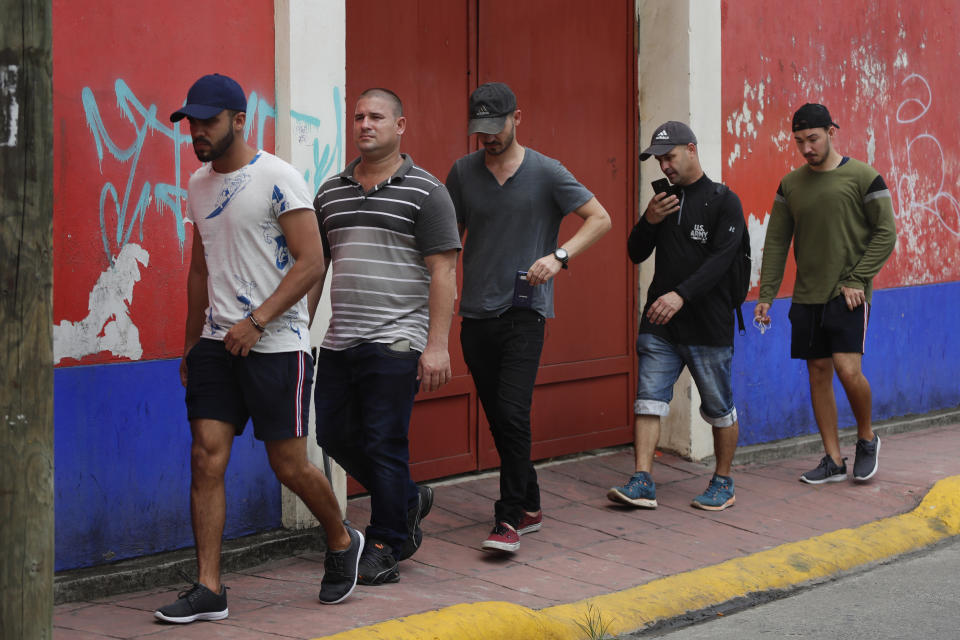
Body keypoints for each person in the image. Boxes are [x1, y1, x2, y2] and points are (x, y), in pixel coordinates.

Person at [156, 74, 363, 624]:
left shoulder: (277, 178)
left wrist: (257, 320)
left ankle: (342, 541)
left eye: (208, 121)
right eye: (191, 123)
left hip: (277, 344)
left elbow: (312, 261)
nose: (197, 132)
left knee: (289, 464)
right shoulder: (198, 184)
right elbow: (200, 267)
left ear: (240, 120)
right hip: (215, 343)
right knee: (206, 458)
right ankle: (209, 587)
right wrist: (189, 345)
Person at [446, 82, 611, 553]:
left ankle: (509, 517)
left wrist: (559, 256)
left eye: (496, 128)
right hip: (475, 313)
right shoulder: (462, 172)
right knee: (500, 417)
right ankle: (532, 502)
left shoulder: (547, 172)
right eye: (480, 130)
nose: (488, 138)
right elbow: (446, 236)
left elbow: (600, 218)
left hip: (525, 310)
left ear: (517, 117)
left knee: (513, 412)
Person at [311, 88, 460, 584]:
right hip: (340, 339)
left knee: (383, 441)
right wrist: (299, 331)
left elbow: (443, 272)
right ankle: (408, 499)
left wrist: (436, 345)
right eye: (358, 116)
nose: (364, 124)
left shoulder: (427, 191)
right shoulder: (329, 192)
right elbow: (315, 268)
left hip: (397, 337)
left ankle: (385, 544)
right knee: (331, 433)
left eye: (376, 116)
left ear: (401, 126)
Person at [607, 122, 746, 513]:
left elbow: (721, 261)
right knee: (648, 399)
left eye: (669, 157)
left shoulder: (723, 200)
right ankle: (642, 479)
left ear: (690, 149)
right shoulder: (662, 201)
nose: (664, 166)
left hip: (709, 324)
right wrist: (648, 221)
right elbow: (635, 253)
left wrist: (681, 295)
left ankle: (723, 481)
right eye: (658, 160)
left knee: (719, 406)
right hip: (661, 322)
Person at [754, 103, 896, 484]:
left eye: (813, 139)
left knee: (849, 371)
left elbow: (886, 234)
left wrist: (857, 279)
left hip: (848, 293)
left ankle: (866, 437)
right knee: (818, 373)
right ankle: (833, 459)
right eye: (799, 141)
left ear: (831, 132)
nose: (806, 148)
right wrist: (766, 294)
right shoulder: (791, 184)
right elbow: (778, 240)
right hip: (806, 295)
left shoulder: (865, 177)